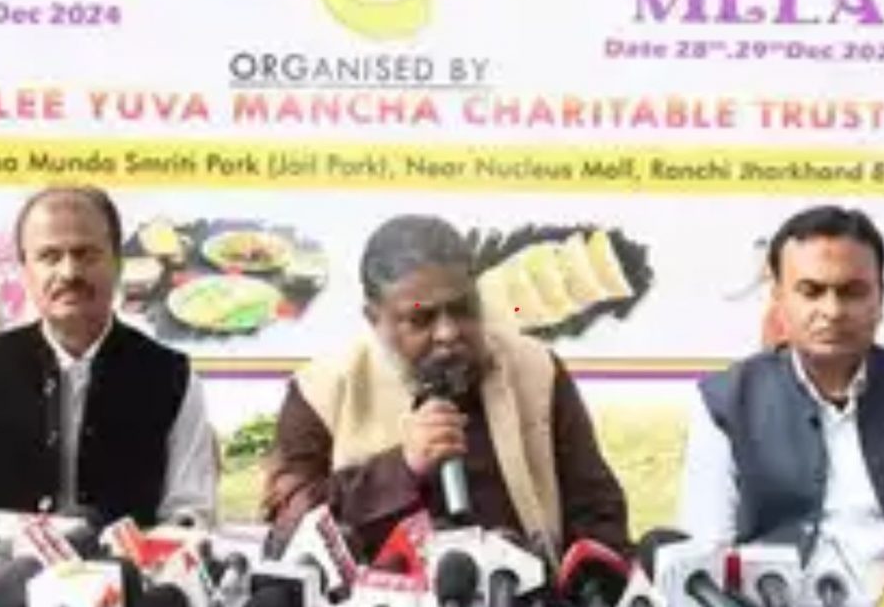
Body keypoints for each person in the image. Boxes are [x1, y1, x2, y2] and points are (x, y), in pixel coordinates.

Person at [263, 215, 631, 563]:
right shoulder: (323, 390)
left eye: (462, 309)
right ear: (375, 319)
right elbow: (287, 528)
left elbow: (597, 511)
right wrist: (400, 468)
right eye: (421, 319)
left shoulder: (535, 370)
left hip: (524, 596)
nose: (448, 333)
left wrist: (591, 582)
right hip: (372, 604)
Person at [0, 185, 217, 557]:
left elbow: (188, 517)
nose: (69, 272)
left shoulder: (171, 375)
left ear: (117, 263)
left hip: (129, 587)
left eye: (86, 254)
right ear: (25, 270)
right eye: (49, 256)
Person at [678, 205, 884, 573]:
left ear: (881, 298)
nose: (833, 311)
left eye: (852, 292)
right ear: (778, 298)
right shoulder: (727, 402)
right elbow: (705, 554)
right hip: (769, 605)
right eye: (811, 291)